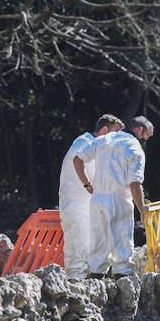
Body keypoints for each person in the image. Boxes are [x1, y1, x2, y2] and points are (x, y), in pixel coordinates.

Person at [73, 115, 154, 278]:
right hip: (119, 200)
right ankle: (123, 279)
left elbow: (77, 159)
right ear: (140, 130)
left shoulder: (103, 140)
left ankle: (96, 277)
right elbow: (135, 184)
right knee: (122, 243)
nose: (146, 141)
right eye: (147, 137)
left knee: (98, 242)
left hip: (97, 199)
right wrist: (142, 211)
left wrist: (87, 184)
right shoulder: (135, 148)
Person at [58, 114, 124, 278]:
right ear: (104, 130)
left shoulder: (96, 146)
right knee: (78, 253)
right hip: (76, 206)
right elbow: (79, 162)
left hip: (87, 208)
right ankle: (75, 292)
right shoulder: (85, 143)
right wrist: (88, 185)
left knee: (91, 253)